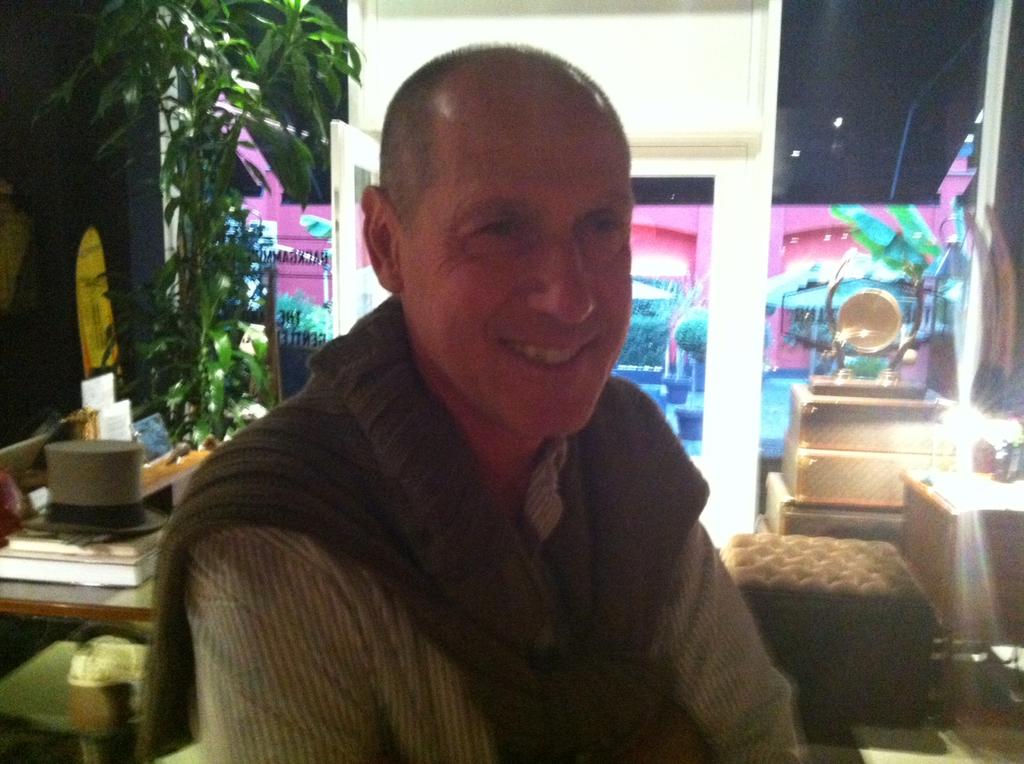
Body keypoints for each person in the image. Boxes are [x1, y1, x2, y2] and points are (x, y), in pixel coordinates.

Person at [139, 45, 803, 763]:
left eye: (602, 226)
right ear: (387, 244)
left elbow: (763, 743)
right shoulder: (282, 527)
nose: (573, 297)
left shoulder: (629, 454)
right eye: (501, 229)